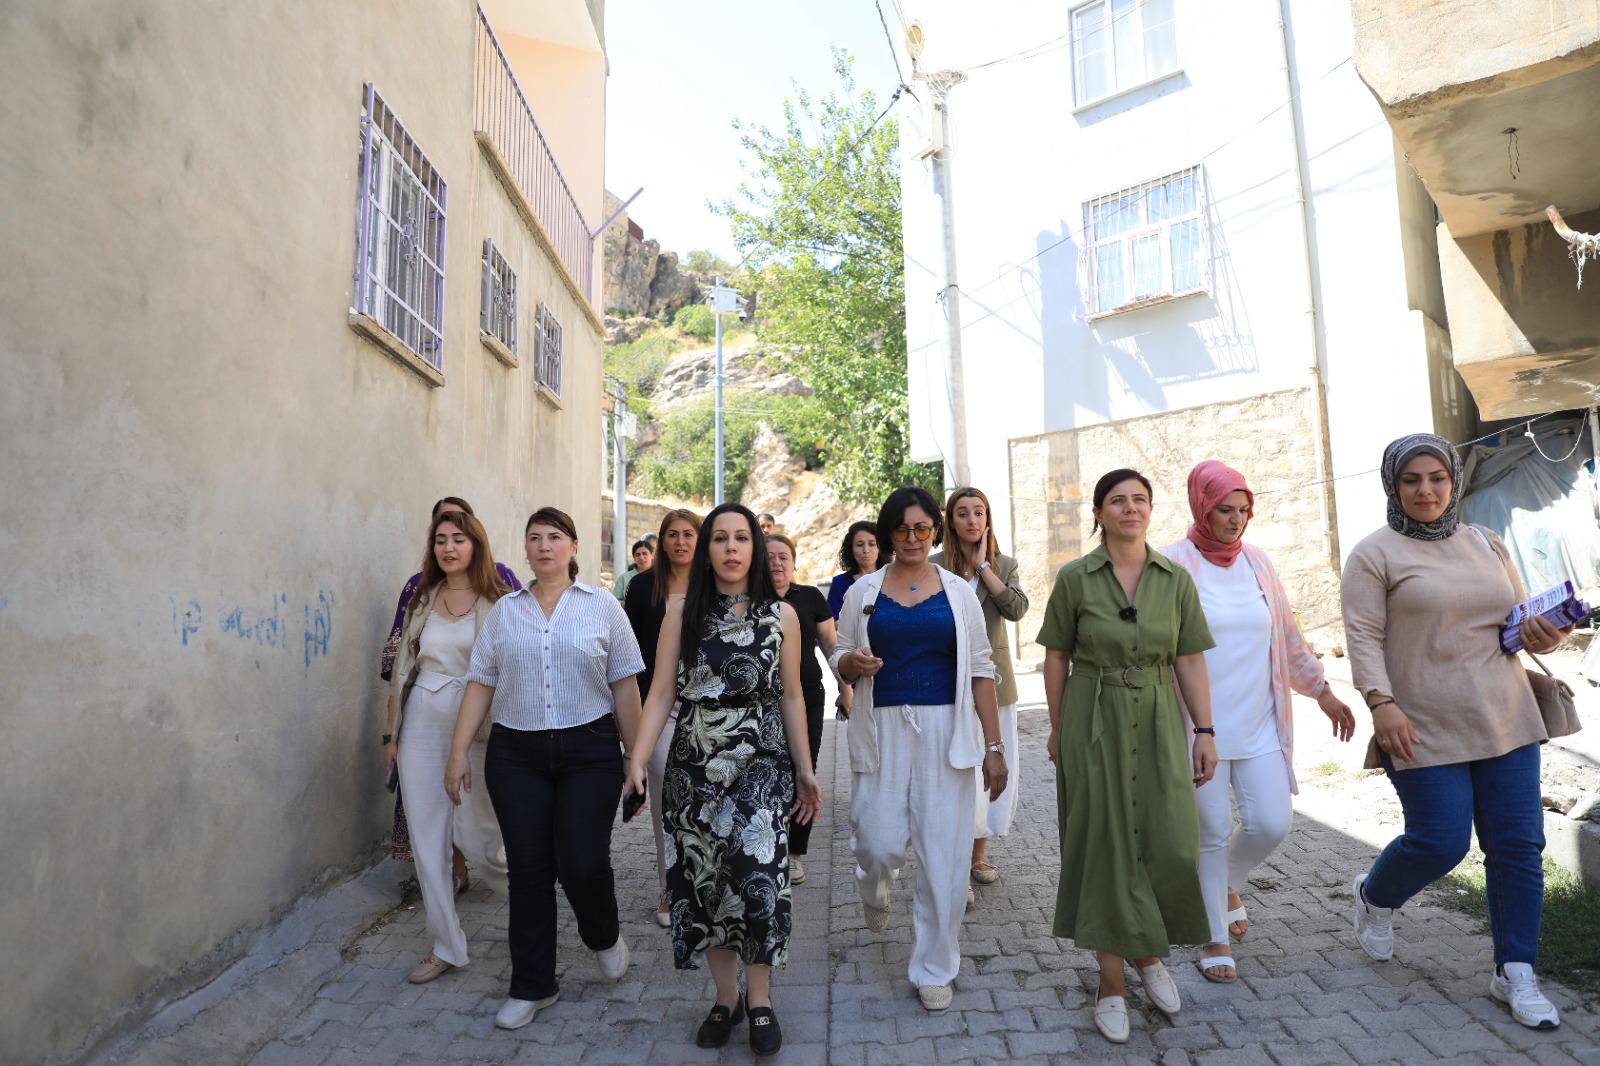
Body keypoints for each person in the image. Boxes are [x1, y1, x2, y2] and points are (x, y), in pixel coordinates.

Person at [1341, 434, 1571, 1031]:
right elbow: (1363, 635)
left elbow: (1515, 621)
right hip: (1419, 724)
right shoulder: (1374, 554)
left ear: (1453, 481)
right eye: (1411, 479)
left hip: (1505, 716)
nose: (1426, 490)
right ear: (1393, 485)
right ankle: (1374, 896)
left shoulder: (1486, 543)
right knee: (1441, 842)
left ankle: (1514, 971)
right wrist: (1380, 703)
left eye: (1437, 478)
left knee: (1518, 846)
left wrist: (1546, 634)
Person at [626, 504, 823, 1056]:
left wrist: (805, 770)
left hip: (762, 764)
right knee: (704, 883)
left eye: (741, 538)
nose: (731, 548)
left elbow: (791, 696)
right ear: (707, 550)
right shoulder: (681, 611)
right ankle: (724, 997)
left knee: (757, 879)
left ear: (755, 548)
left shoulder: (782, 615)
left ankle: (759, 998)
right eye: (720, 538)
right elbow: (660, 691)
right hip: (694, 766)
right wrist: (636, 760)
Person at [444, 507, 645, 1031]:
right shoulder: (505, 612)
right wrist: (458, 751)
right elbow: (480, 682)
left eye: (555, 537)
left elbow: (625, 685)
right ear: (526, 550)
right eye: (534, 538)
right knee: (529, 870)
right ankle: (533, 984)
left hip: (590, 751)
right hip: (516, 756)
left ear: (574, 547)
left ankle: (602, 934)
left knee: (582, 861)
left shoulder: (603, 607)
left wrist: (636, 758)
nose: (544, 546)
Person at [1036, 468, 1217, 1044]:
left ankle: (1148, 953)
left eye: (1140, 499)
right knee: (1105, 845)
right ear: (1099, 513)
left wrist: (1205, 731)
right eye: (1118, 500)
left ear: (1151, 509)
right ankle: (1111, 981)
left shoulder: (1175, 579)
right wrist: (1059, 729)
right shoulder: (1075, 578)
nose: (1130, 508)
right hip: (1094, 717)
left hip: (1161, 718)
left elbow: (1189, 657)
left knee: (1167, 841)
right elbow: (1056, 656)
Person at [1161, 461, 1355, 983]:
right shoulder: (1172, 564)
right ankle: (1213, 935)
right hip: (1197, 729)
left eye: (1244, 510)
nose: (1236, 520)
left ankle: (1223, 883)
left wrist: (1322, 691)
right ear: (1202, 507)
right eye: (1225, 510)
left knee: (1271, 822)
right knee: (1210, 831)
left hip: (1260, 721)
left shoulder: (1258, 563)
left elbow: (1287, 636)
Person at [831, 486, 1008, 1013]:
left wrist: (993, 746)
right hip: (881, 729)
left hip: (946, 731)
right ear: (888, 534)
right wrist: (851, 665)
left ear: (936, 531)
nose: (912, 538)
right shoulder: (863, 591)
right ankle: (875, 886)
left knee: (944, 859)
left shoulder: (958, 592)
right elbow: (841, 653)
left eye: (922, 528)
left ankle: (934, 966)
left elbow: (981, 669)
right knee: (877, 842)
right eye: (901, 529)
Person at [384, 509, 512, 984]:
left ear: (476, 544)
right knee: (426, 839)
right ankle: (446, 945)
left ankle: (531, 907)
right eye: (440, 540)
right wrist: (390, 735)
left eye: (459, 538)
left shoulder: (500, 600)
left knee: (480, 839)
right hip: (421, 718)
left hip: (477, 724)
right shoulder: (423, 596)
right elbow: (402, 670)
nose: (449, 547)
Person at [929, 487, 1029, 888]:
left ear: (988, 519)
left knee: (992, 765)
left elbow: (1016, 609)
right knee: (954, 770)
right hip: (944, 681)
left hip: (995, 682)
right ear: (950, 522)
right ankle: (951, 859)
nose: (972, 520)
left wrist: (983, 566)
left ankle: (978, 854)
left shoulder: (1004, 564)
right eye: (963, 513)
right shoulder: (934, 567)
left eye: (979, 512)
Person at [624, 508, 701, 928]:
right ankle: (671, 887)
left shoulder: (715, 584)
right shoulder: (642, 588)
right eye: (673, 534)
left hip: (709, 704)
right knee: (666, 801)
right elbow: (631, 655)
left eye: (689, 534)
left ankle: (706, 881)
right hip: (660, 705)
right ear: (662, 541)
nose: (681, 541)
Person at [766, 532, 842, 887]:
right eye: (769, 557)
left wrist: (845, 688)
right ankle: (768, 845)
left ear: (794, 563)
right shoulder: (748, 599)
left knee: (803, 767)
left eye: (783, 557)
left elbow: (830, 646)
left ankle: (795, 853)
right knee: (768, 771)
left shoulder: (810, 597)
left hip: (808, 697)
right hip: (763, 698)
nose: (776, 563)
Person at [828, 520, 880, 720]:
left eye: (872, 544)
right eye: (860, 544)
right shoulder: (840, 583)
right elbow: (834, 621)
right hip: (853, 660)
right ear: (851, 548)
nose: (866, 550)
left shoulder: (892, 578)